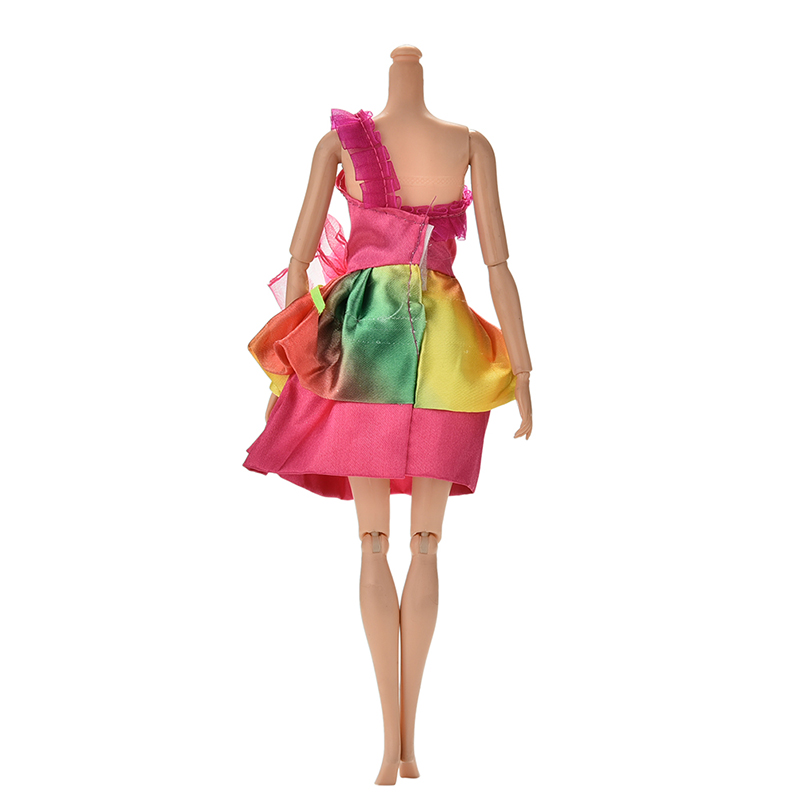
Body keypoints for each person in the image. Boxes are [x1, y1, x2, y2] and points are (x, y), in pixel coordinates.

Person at [243, 45, 532, 784]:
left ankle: (395, 745)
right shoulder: (466, 143)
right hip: (444, 348)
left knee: (376, 544)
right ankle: (401, 744)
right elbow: (499, 268)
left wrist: (293, 362)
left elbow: (298, 259)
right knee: (424, 547)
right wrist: (523, 369)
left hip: (364, 341)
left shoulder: (350, 143)